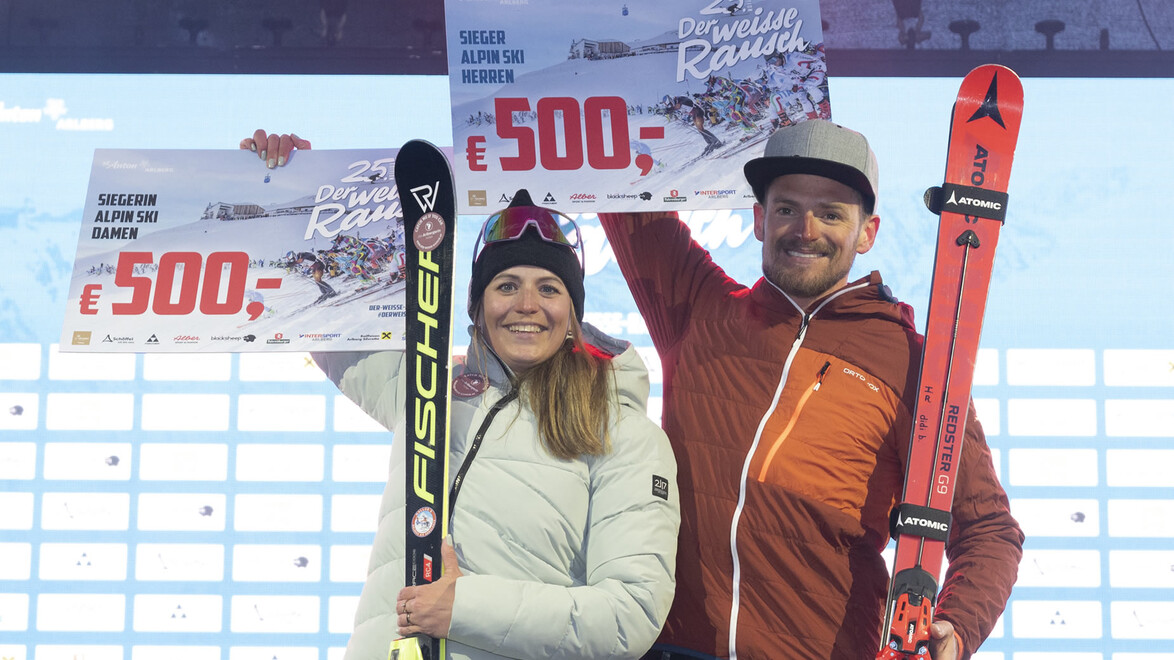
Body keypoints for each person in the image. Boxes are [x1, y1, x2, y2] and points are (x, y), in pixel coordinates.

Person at [242, 132, 680, 659]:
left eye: (549, 288)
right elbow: (328, 327)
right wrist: (290, 179)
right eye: (505, 285)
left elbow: (628, 616)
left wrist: (462, 606)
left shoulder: (622, 434)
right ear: (476, 305)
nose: (526, 304)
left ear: (573, 317)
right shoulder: (428, 388)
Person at [598, 119, 1023, 659]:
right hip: (675, 645)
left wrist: (956, 627)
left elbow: (989, 528)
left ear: (866, 232)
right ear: (758, 219)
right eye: (787, 208)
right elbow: (622, 192)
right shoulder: (699, 310)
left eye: (831, 213)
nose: (806, 229)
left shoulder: (911, 362)